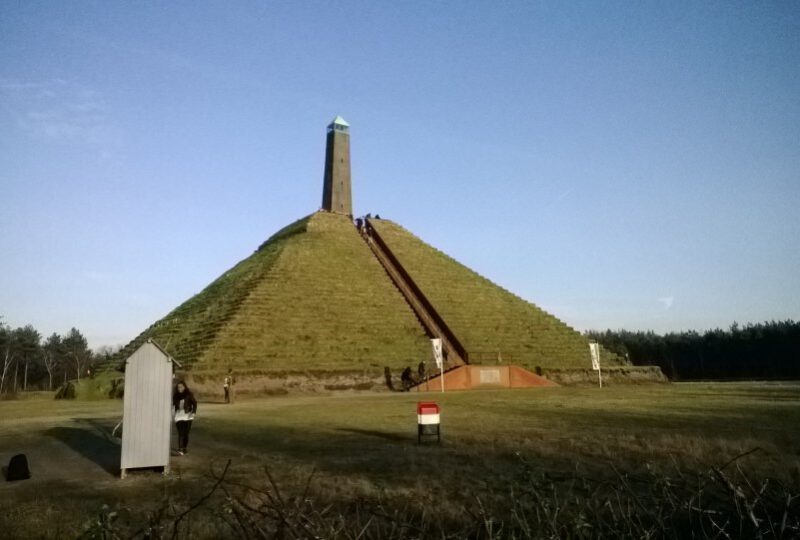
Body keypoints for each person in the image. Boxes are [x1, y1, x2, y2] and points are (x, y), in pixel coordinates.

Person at [172, 381, 197, 455]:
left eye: (181, 387)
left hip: (188, 416)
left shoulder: (189, 394)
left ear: (184, 387)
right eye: (178, 387)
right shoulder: (176, 395)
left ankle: (184, 448)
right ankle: (180, 449)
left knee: (186, 433)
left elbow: (195, 404)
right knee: (181, 433)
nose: (180, 388)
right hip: (179, 415)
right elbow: (173, 405)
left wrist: (193, 413)